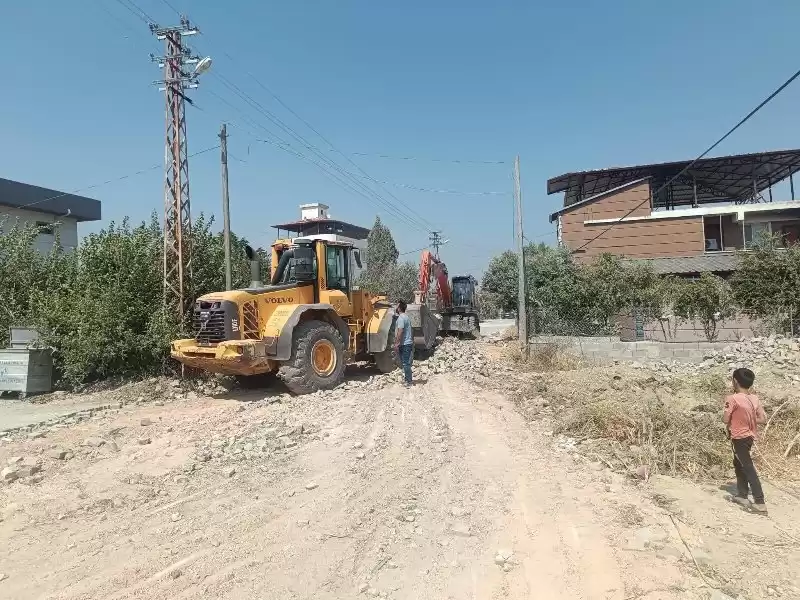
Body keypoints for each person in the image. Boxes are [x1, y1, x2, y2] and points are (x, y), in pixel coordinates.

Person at [723, 367, 767, 514]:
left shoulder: (732, 398)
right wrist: (749, 419)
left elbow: (725, 419)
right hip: (749, 437)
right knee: (739, 463)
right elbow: (763, 419)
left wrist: (737, 419)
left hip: (738, 437)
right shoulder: (754, 399)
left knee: (747, 466)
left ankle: (759, 502)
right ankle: (742, 495)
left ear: (735, 381)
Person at [394, 301, 414, 387]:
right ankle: (407, 379)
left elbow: (400, 331)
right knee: (405, 362)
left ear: (399, 308)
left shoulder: (401, 318)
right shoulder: (406, 317)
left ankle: (409, 382)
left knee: (405, 363)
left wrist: (397, 343)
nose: (395, 307)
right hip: (407, 343)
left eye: (397, 305)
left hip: (404, 344)